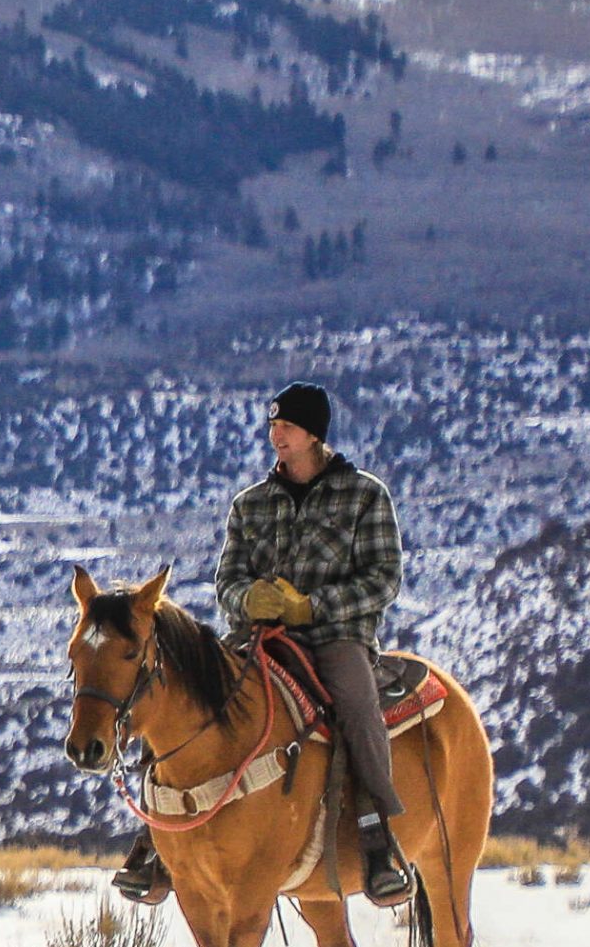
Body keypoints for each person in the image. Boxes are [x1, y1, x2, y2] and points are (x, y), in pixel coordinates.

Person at [112, 380, 414, 908]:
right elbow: (226, 579)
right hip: (256, 640)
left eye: (287, 426)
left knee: (358, 705)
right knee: (173, 696)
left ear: (314, 434)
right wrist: (249, 599)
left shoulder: (365, 494)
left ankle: (377, 838)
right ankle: (155, 844)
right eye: (273, 426)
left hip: (336, 639)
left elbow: (383, 579)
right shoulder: (249, 504)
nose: (276, 434)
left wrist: (311, 607)